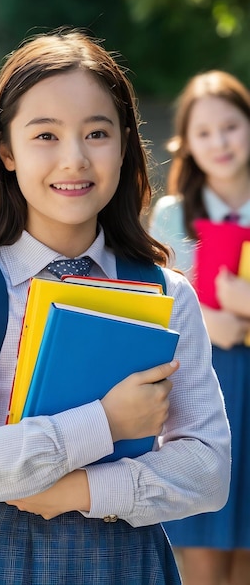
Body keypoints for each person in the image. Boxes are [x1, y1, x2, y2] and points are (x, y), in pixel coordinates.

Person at [0, 30, 230, 585]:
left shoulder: (167, 293)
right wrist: (103, 423)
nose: (75, 159)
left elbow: (209, 470)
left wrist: (80, 491)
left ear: (126, 142)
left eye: (97, 133)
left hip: (131, 564)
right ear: (6, 151)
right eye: (45, 135)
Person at [150, 70, 250, 585]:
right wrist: (208, 319)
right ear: (186, 142)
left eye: (230, 126)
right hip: (201, 390)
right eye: (204, 132)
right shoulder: (172, 216)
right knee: (202, 556)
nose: (220, 142)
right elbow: (152, 305)